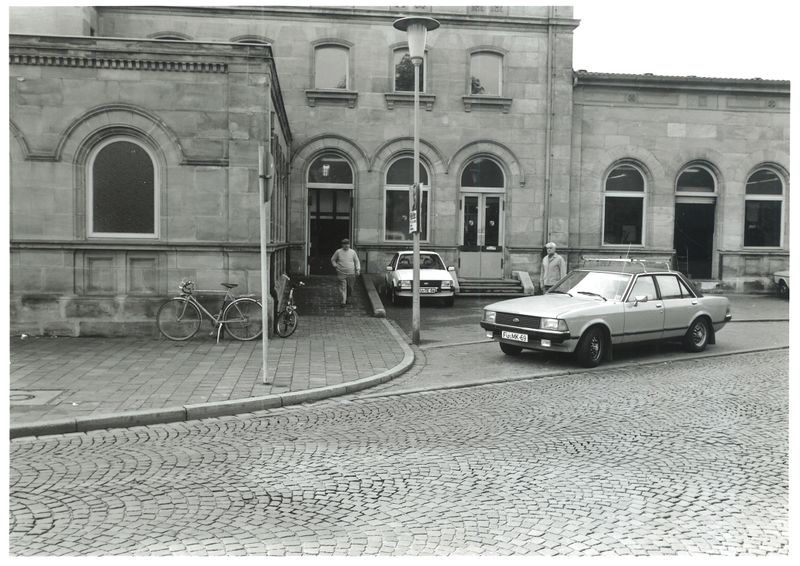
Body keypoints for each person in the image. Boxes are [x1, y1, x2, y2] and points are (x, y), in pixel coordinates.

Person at [331, 238, 360, 307]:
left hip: (351, 273)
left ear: (349, 245)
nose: (346, 245)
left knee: (350, 288)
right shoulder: (338, 252)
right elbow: (333, 259)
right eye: (345, 244)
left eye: (348, 244)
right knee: (343, 287)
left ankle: (347, 298)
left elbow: (357, 261)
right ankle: (343, 301)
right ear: (342, 245)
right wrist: (335, 265)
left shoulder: (353, 252)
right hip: (341, 272)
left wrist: (358, 269)